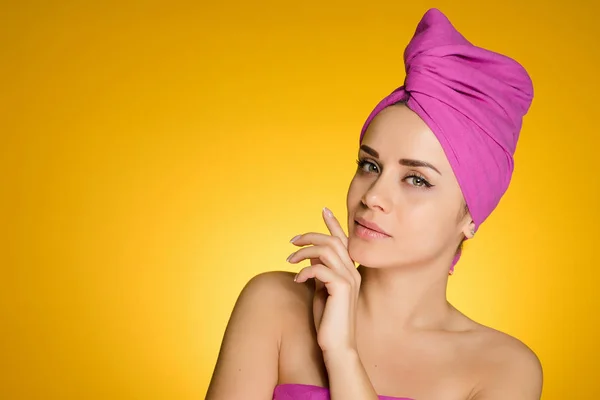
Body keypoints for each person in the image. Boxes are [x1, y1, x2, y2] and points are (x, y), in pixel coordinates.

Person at [205, 8, 543, 400]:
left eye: (416, 179)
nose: (372, 196)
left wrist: (342, 355)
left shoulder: (504, 369)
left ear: (471, 215)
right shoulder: (274, 304)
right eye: (370, 165)